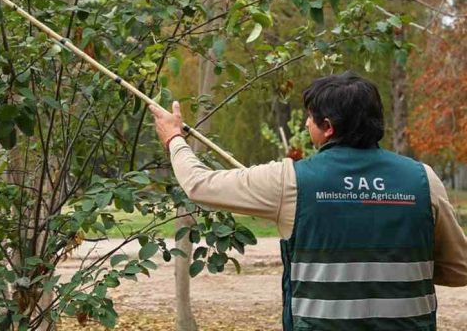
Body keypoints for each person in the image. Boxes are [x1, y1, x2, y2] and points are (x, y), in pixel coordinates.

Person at [149, 71, 467, 330]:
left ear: (327, 127)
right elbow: (460, 269)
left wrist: (174, 139)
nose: (305, 124)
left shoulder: (290, 181)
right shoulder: (424, 179)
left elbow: (198, 184)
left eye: (310, 118)